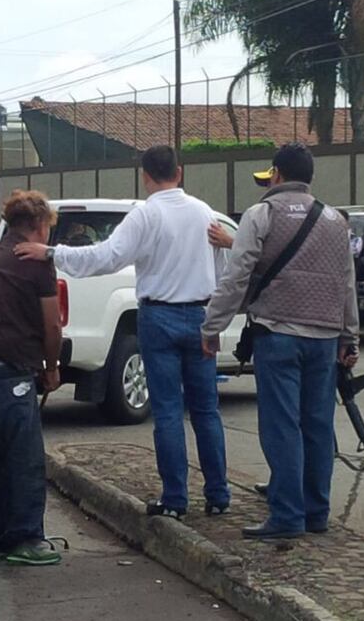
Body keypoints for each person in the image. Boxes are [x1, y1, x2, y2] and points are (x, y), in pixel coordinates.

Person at [17, 145, 230, 521]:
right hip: (199, 314)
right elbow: (222, 268)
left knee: (166, 411)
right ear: (178, 172)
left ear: (145, 176)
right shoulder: (204, 214)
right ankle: (218, 493)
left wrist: (51, 253)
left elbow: (104, 257)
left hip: (159, 317)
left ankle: (176, 499)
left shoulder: (145, 215)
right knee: (206, 410)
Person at [202, 142, 359, 540]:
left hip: (277, 333)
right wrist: (349, 336)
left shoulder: (262, 214)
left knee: (282, 425)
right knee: (318, 425)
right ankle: (316, 512)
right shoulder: (335, 220)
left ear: (276, 173)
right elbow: (347, 284)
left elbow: (237, 275)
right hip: (324, 337)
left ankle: (287, 516)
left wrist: (212, 326)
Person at [0, 190, 66, 566]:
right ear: (39, 226)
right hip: (11, 370)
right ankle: (26, 537)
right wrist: (51, 367)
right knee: (24, 458)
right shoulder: (36, 263)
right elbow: (52, 323)